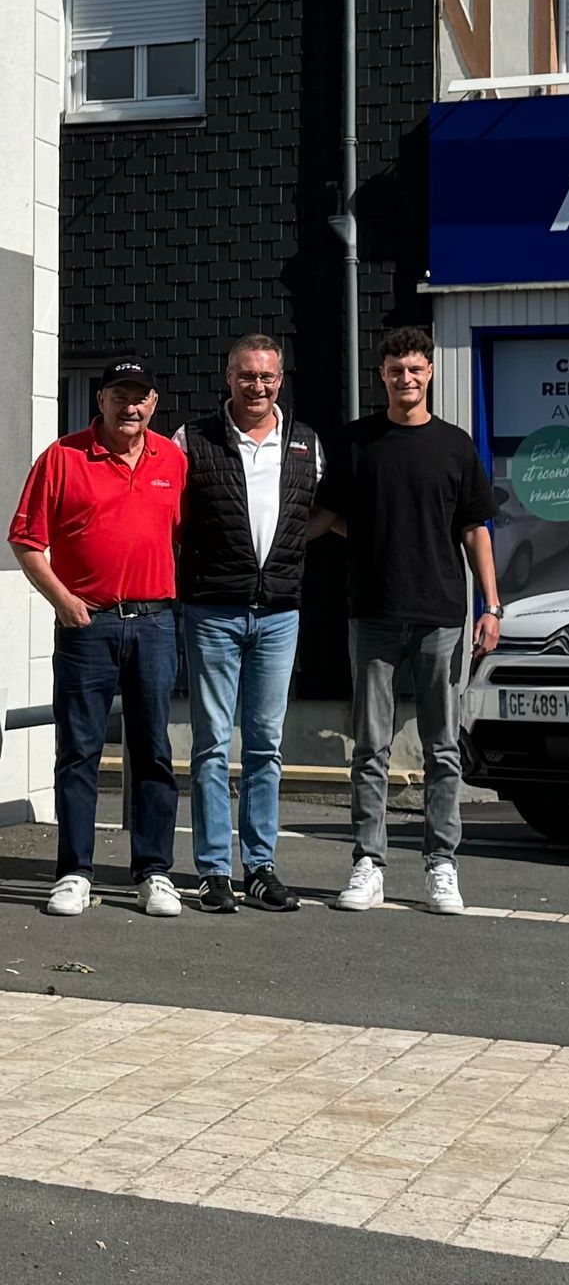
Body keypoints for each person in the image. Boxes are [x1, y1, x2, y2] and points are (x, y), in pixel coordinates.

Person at [315, 326, 501, 915]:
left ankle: (441, 863)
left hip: (442, 614)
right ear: (383, 376)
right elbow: (325, 515)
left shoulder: (455, 445)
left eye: (416, 370)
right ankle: (368, 862)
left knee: (442, 748)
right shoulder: (357, 442)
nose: (407, 379)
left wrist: (491, 606)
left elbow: (476, 529)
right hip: (372, 613)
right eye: (396, 370)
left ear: (430, 374)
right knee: (369, 747)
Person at [8, 358, 187, 917]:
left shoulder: (172, 460)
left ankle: (154, 871)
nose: (129, 407)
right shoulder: (63, 458)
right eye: (118, 396)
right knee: (79, 750)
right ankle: (74, 872)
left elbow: (186, 536)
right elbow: (26, 539)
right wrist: (64, 601)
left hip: (155, 623)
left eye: (140, 397)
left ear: (152, 404)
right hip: (88, 625)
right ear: (101, 400)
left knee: (154, 750)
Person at [174, 335, 329, 914]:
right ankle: (214, 870)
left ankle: (260, 867)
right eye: (246, 376)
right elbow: (171, 516)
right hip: (212, 608)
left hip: (279, 612)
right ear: (228, 376)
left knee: (266, 745)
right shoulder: (192, 439)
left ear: (280, 378)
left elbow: (319, 513)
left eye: (266, 377)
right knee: (212, 744)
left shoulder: (307, 443)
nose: (256, 386)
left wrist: (282, 555)